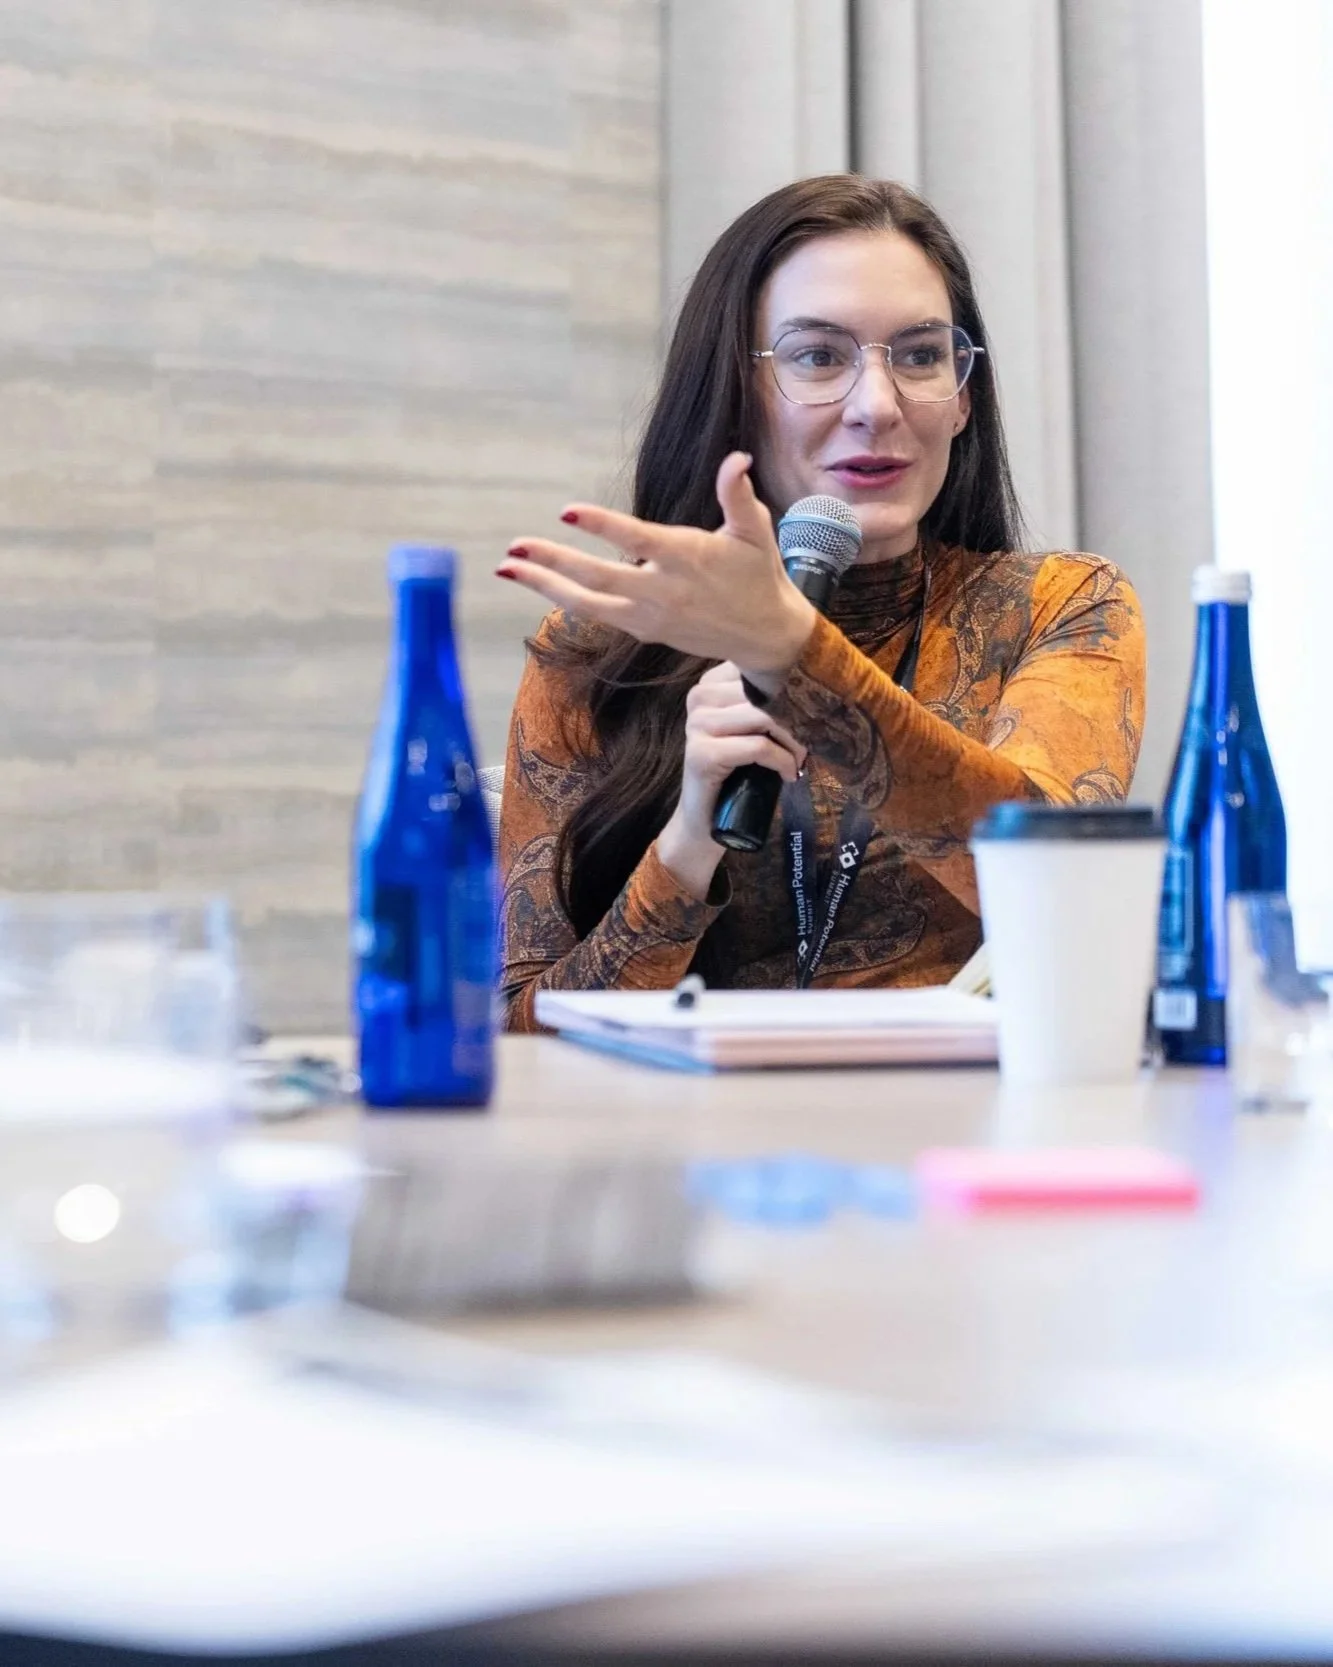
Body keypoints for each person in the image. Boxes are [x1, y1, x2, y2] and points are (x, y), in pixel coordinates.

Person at [494, 174, 1144, 1032]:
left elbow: (1057, 888)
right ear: (734, 391)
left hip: (961, 1112)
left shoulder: (1058, 606)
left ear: (962, 400)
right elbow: (524, 1038)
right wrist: (687, 844)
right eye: (817, 357)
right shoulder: (596, 652)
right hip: (686, 1119)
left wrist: (792, 657)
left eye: (919, 355)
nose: (876, 405)